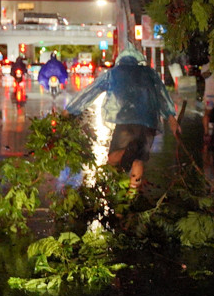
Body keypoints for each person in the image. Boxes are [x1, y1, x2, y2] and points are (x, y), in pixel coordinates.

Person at [65, 45, 180, 190]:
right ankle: (132, 192)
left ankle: (116, 182)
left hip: (125, 122)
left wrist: (71, 110)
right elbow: (163, 96)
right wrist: (172, 120)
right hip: (148, 123)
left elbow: (91, 91)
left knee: (113, 159)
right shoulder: (150, 74)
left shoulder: (114, 73)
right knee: (139, 159)